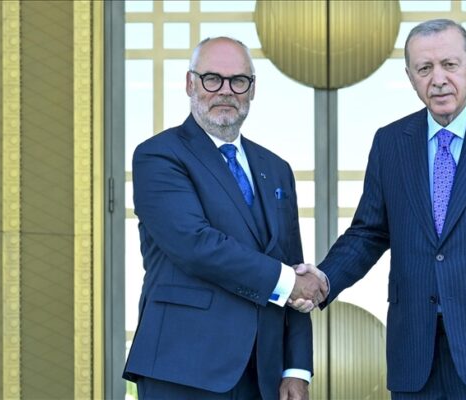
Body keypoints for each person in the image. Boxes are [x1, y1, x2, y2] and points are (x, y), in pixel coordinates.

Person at [293, 19, 466, 399]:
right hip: (416, 357)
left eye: (449, 65)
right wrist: (324, 279)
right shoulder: (391, 142)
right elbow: (369, 232)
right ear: (410, 77)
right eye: (424, 68)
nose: (438, 79)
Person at [123, 37, 328, 400]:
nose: (226, 91)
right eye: (212, 79)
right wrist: (288, 282)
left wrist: (296, 368)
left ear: (252, 89)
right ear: (190, 83)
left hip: (263, 374)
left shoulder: (276, 169)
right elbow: (195, 244)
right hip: (183, 368)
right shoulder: (158, 156)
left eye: (238, 81)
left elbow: (292, 263)